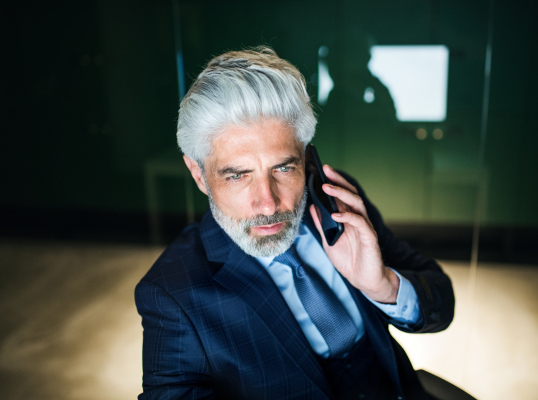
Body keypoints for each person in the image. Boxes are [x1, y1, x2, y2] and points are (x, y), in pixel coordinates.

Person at [135, 47, 454, 400]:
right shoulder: (171, 293)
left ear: (307, 159)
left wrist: (383, 287)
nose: (268, 203)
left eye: (283, 168)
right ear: (199, 174)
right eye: (238, 176)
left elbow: (442, 303)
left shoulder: (338, 202)